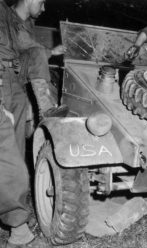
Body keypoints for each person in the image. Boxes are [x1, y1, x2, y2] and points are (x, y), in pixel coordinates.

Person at [0, 0, 47, 247]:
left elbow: (20, 53)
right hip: (2, 84)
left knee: (14, 154)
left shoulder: (10, 15)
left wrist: (25, 98)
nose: (44, 7)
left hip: (12, 82)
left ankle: (16, 219)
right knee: (7, 159)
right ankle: (18, 231)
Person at [10, 0, 68, 120]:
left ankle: (49, 108)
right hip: (7, 70)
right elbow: (25, 43)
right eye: (41, 3)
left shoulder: (27, 21)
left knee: (51, 85)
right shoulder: (7, 19)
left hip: (18, 69)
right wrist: (49, 52)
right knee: (37, 53)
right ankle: (46, 108)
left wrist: (51, 52)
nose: (44, 8)